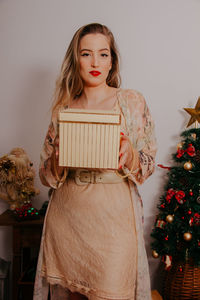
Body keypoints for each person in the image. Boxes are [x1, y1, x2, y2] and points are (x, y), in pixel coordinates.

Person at [33, 23, 157, 300]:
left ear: (112, 60)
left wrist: (130, 154)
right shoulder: (64, 107)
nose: (95, 62)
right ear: (75, 59)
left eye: (103, 54)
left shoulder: (131, 102)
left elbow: (147, 162)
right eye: (86, 53)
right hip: (68, 217)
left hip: (114, 219)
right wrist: (57, 159)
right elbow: (45, 176)